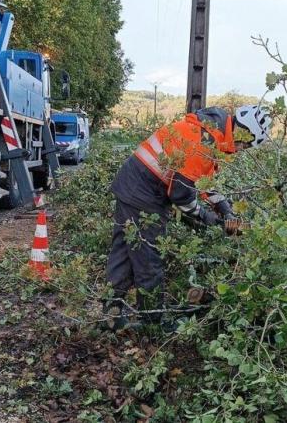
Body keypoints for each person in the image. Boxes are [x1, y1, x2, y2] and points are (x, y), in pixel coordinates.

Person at [103, 104, 272, 330]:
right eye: (246, 144)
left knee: (125, 248)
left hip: (134, 184)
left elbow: (204, 182)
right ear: (244, 133)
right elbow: (181, 196)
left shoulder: (211, 133)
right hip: (144, 192)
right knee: (149, 256)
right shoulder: (203, 142)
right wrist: (208, 219)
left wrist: (225, 209)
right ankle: (153, 323)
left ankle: (111, 314)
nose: (243, 149)